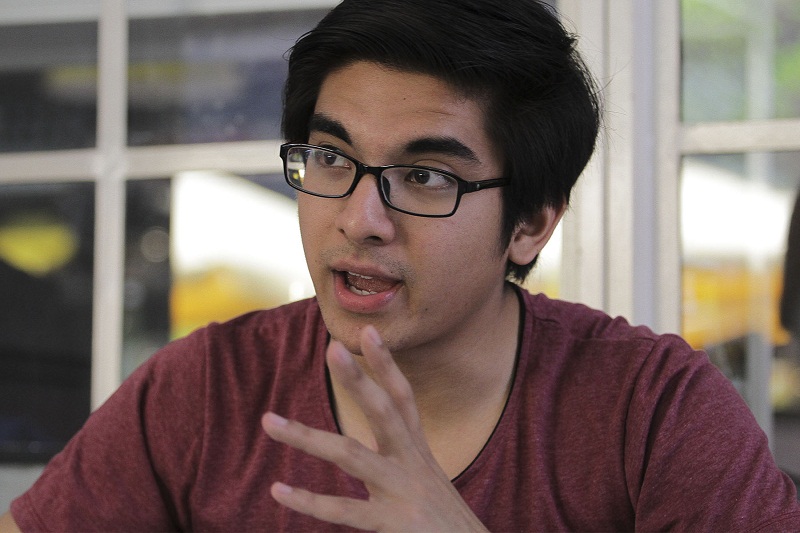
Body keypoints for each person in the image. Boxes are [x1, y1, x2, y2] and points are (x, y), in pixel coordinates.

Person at [3, 0, 800, 530]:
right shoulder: (208, 391)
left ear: (530, 224)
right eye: (330, 157)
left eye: (425, 176)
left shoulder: (651, 410)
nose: (359, 217)